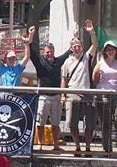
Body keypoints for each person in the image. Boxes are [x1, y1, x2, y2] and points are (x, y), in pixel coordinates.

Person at [30, 23, 81, 151]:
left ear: (54, 52)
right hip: (43, 96)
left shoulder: (58, 61)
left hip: (56, 97)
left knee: (55, 123)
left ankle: (55, 145)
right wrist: (30, 36)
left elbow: (70, 50)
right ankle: (40, 144)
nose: (49, 54)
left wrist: (75, 36)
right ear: (44, 52)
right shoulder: (40, 63)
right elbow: (31, 53)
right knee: (40, 122)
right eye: (47, 52)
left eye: (51, 52)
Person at [62, 21, 99, 156]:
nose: (77, 47)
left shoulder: (87, 57)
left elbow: (95, 44)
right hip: (72, 93)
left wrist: (91, 32)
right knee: (72, 123)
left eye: (79, 45)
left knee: (89, 124)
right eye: (74, 46)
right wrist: (63, 95)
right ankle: (77, 146)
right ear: (71, 48)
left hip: (87, 93)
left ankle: (88, 146)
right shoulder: (67, 61)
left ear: (82, 47)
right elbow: (64, 79)